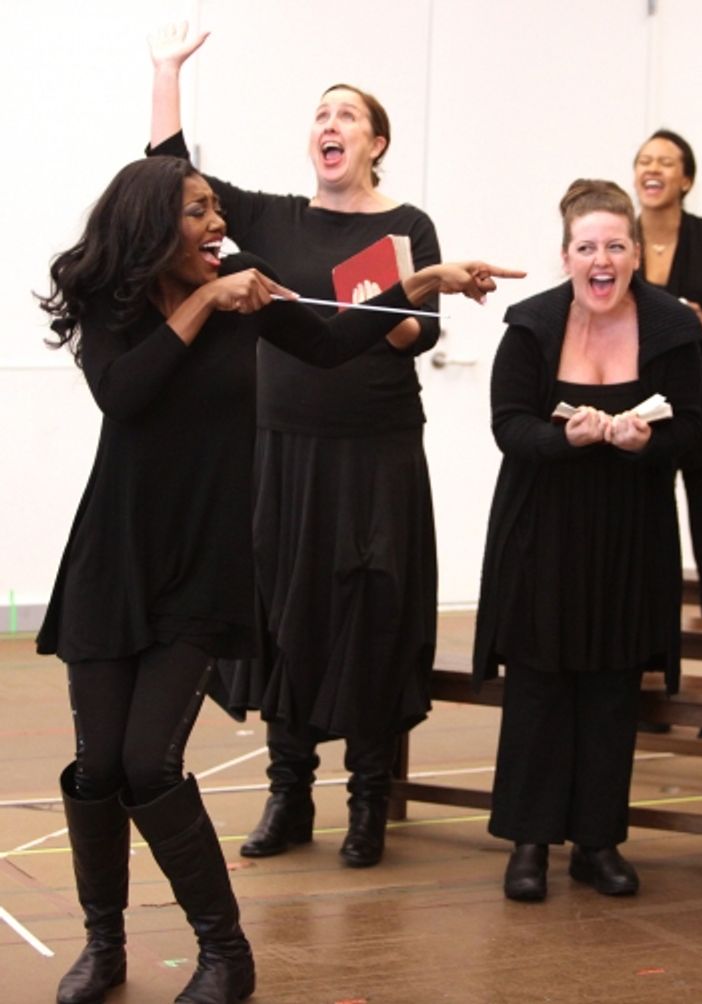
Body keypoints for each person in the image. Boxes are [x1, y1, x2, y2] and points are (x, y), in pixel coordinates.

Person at [35, 156, 510, 1004]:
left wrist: (419, 278)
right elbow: (124, 393)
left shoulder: (245, 293)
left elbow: (332, 339)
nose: (218, 222)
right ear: (152, 227)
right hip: (116, 557)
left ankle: (226, 954)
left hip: (206, 563)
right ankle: (102, 947)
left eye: (218, 207)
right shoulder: (112, 304)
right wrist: (203, 304)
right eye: (198, 210)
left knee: (149, 761)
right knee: (97, 768)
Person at [149, 23, 445, 869]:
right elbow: (170, 173)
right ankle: (288, 794)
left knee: (373, 613)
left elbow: (409, 337)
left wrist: (392, 299)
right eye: (321, 113)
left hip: (376, 449)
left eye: (347, 114)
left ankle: (368, 801)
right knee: (284, 613)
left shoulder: (408, 224)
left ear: (375, 142)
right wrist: (167, 72)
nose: (331, 123)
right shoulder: (273, 219)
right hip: (281, 447)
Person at [473, 179, 702, 903]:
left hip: (630, 532)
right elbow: (509, 425)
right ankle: (529, 843)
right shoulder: (532, 325)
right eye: (586, 247)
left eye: (615, 245)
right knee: (539, 683)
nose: (600, 260)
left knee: (611, 687)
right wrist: (563, 436)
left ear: (636, 252)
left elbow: (694, 431)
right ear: (566, 254)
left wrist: (645, 442)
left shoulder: (671, 327)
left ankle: (598, 842)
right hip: (543, 529)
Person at [633, 129, 702, 715]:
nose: (653, 170)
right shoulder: (617, 236)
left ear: (687, 179)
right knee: (646, 552)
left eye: (666, 162)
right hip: (638, 415)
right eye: (645, 161)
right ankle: (649, 673)